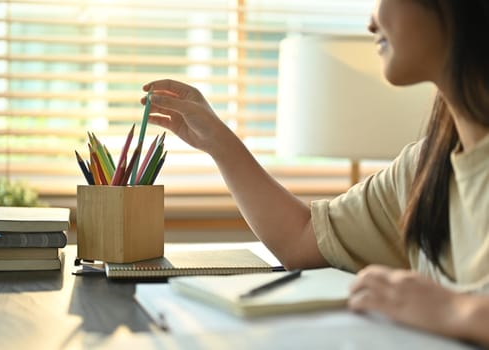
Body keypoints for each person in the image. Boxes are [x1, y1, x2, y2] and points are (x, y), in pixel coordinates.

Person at [141, 0, 489, 346]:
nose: (371, 22)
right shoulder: (424, 168)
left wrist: (455, 311)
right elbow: (302, 239)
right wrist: (219, 142)